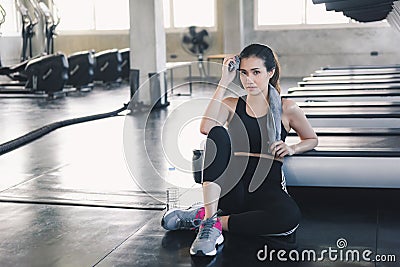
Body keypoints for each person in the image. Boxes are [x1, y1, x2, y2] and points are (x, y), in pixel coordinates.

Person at [161, 43, 318, 257]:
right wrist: (225, 80)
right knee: (218, 134)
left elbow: (311, 139)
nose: (248, 80)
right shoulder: (232, 103)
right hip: (230, 186)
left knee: (288, 219)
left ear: (270, 73)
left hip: (266, 184)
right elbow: (206, 127)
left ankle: (208, 220)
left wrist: (292, 148)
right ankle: (210, 222)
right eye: (243, 73)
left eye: (256, 72)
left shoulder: (287, 108)